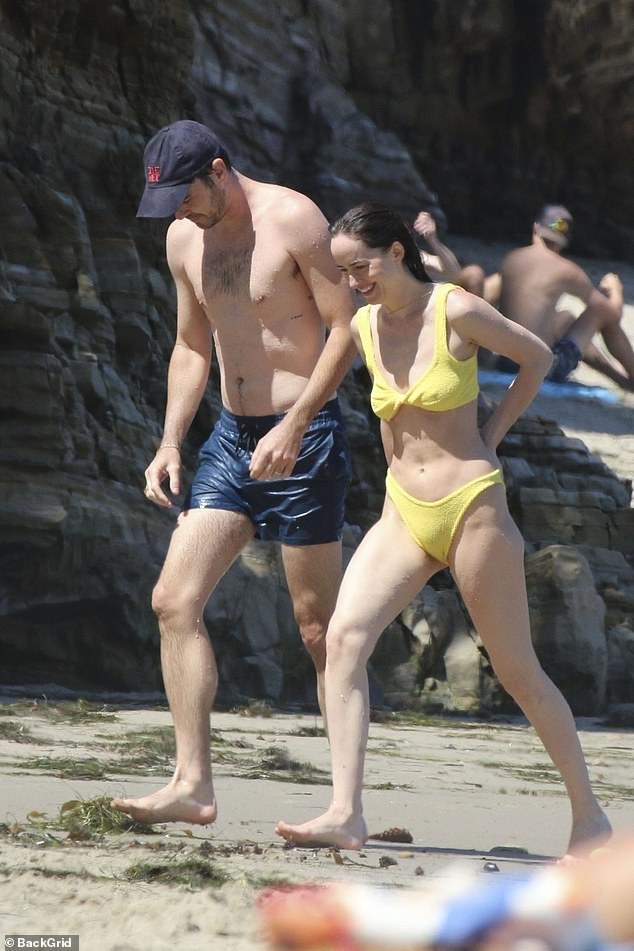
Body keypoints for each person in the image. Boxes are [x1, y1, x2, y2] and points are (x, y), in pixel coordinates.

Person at [275, 202, 611, 857]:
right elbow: (386, 423)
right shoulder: (367, 325)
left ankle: (590, 817)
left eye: (361, 266)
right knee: (342, 639)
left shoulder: (455, 308)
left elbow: (536, 357)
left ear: (397, 251)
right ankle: (345, 811)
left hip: (472, 507)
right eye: (343, 271)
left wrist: (491, 435)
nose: (353, 281)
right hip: (402, 511)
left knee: (517, 671)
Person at [111, 120, 355, 825]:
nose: (178, 213)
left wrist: (297, 422)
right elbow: (191, 345)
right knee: (172, 600)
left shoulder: (294, 219)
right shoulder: (183, 237)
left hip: (305, 439)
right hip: (229, 438)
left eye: (185, 196)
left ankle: (344, 804)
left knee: (318, 629)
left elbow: (346, 327)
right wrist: (169, 442)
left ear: (218, 171)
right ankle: (193, 783)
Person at [496, 204, 634, 389]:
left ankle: (620, 379)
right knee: (597, 312)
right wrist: (615, 290)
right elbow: (612, 315)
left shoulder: (511, 259)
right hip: (540, 370)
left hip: (504, 363)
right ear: (563, 240)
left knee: (564, 318)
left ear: (536, 228)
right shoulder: (566, 270)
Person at [413, 210, 501, 303]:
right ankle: (477, 315)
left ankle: (482, 313)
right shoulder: (401, 259)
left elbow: (454, 272)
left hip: (446, 298)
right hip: (423, 309)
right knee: (473, 274)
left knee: (501, 279)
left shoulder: (412, 254)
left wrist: (433, 240)